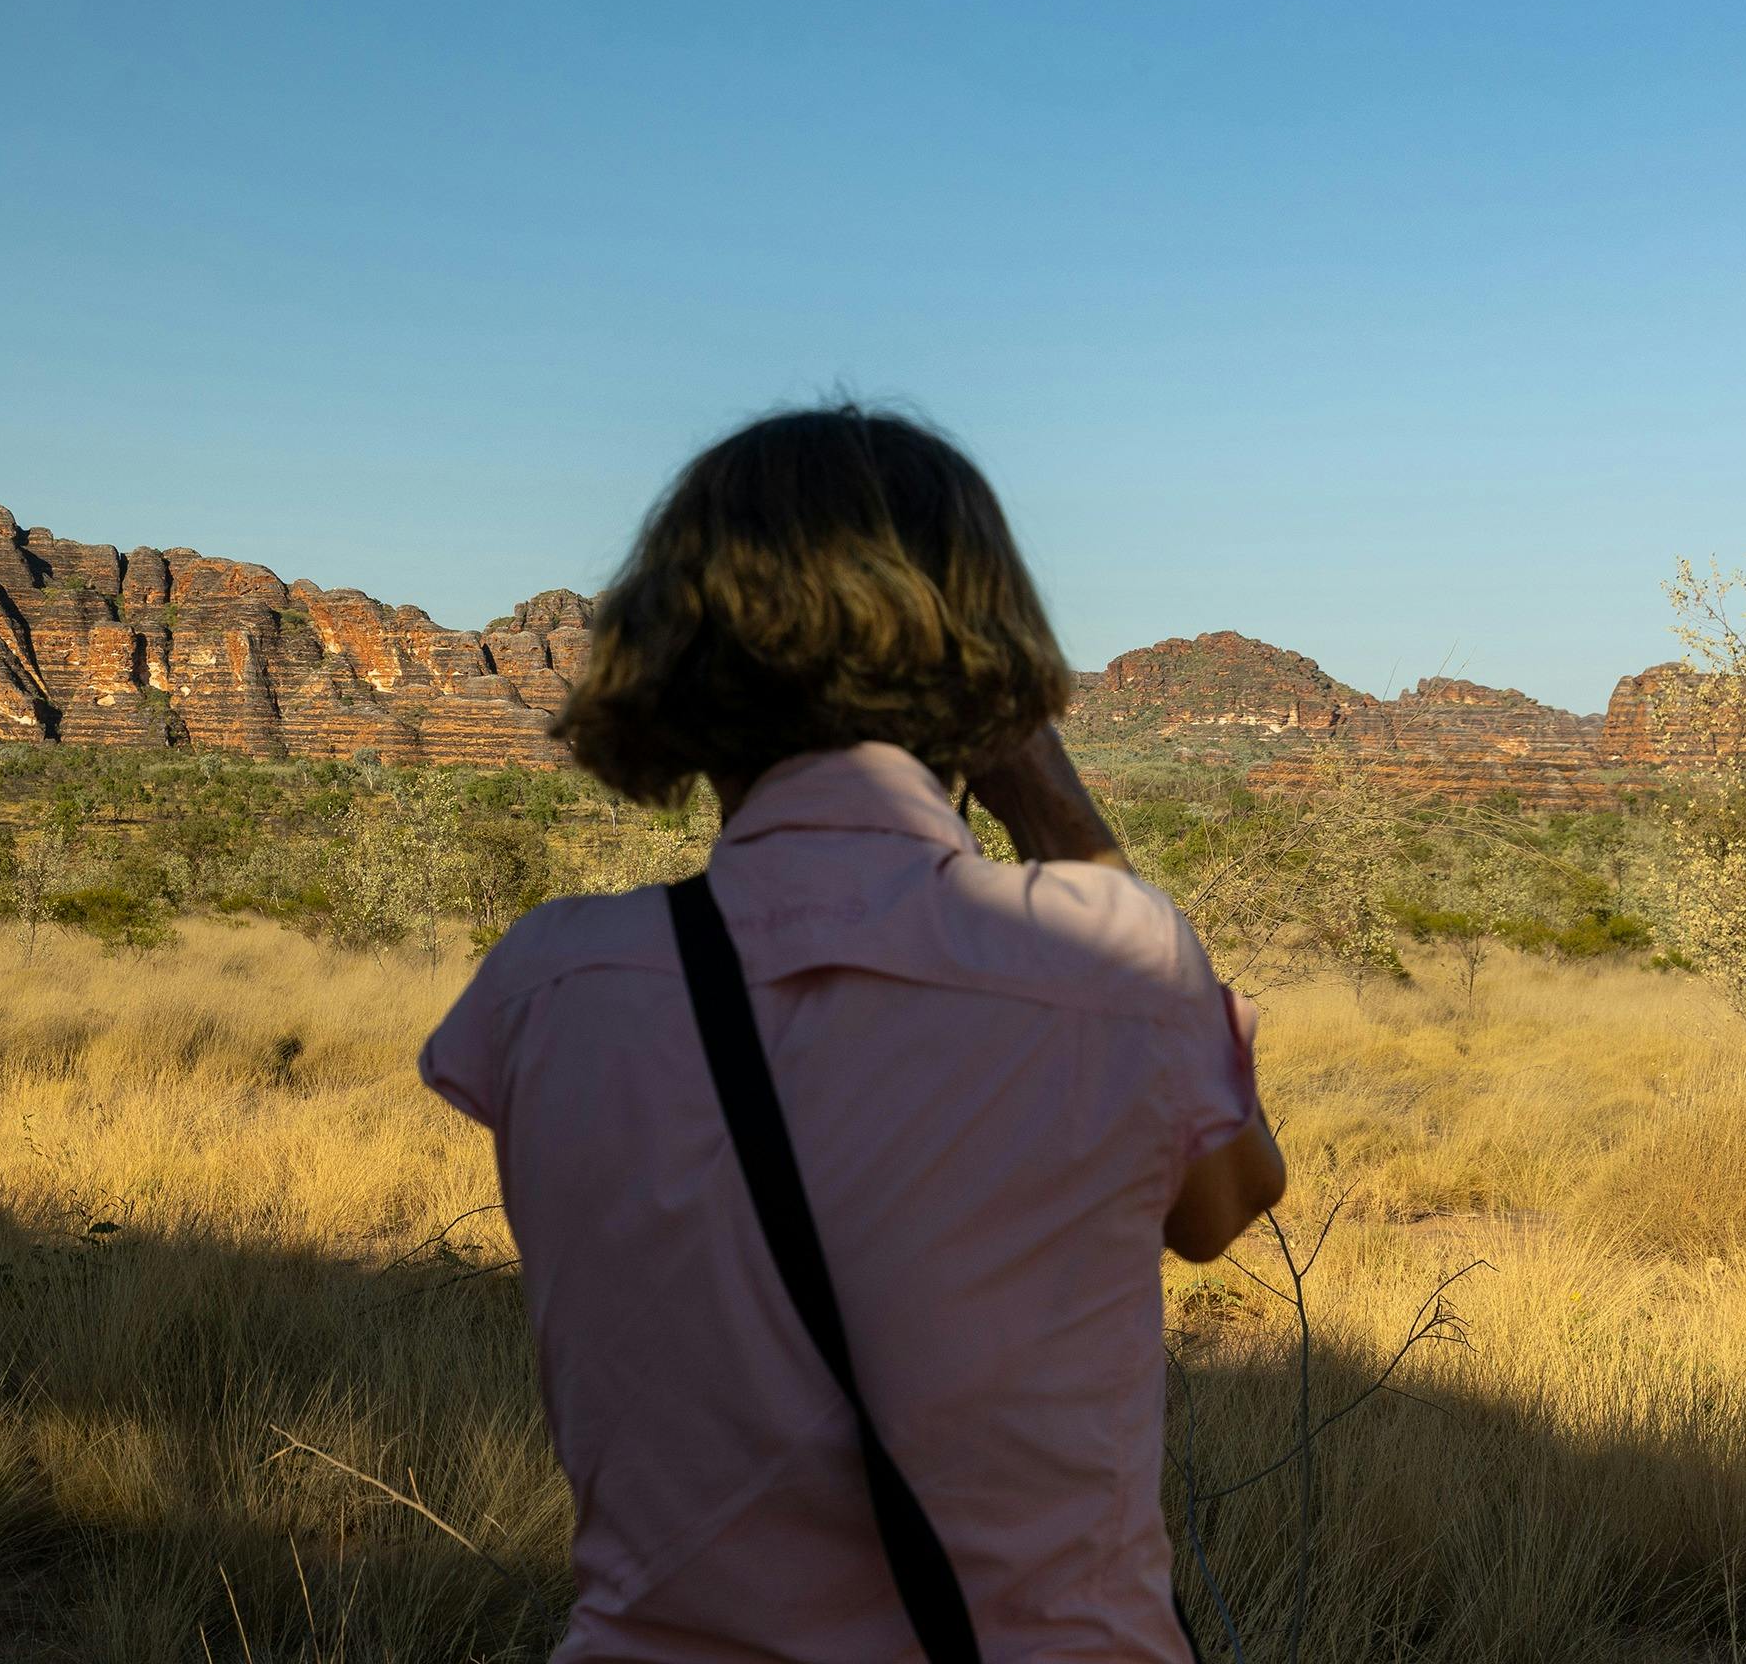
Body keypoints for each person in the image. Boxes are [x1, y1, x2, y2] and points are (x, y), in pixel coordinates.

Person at [423, 405, 1285, 1663]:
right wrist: (1050, 797)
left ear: (675, 652)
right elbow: (1223, 1203)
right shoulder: (1110, 965)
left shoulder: (548, 985)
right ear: (984, 666)